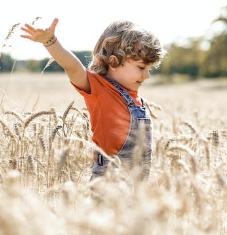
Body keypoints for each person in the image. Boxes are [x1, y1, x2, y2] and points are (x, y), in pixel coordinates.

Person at [20, 18, 165, 181]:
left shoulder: (137, 100)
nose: (147, 75)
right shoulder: (100, 89)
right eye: (141, 68)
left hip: (137, 184)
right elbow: (73, 67)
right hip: (109, 179)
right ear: (114, 61)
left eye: (149, 69)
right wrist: (50, 41)